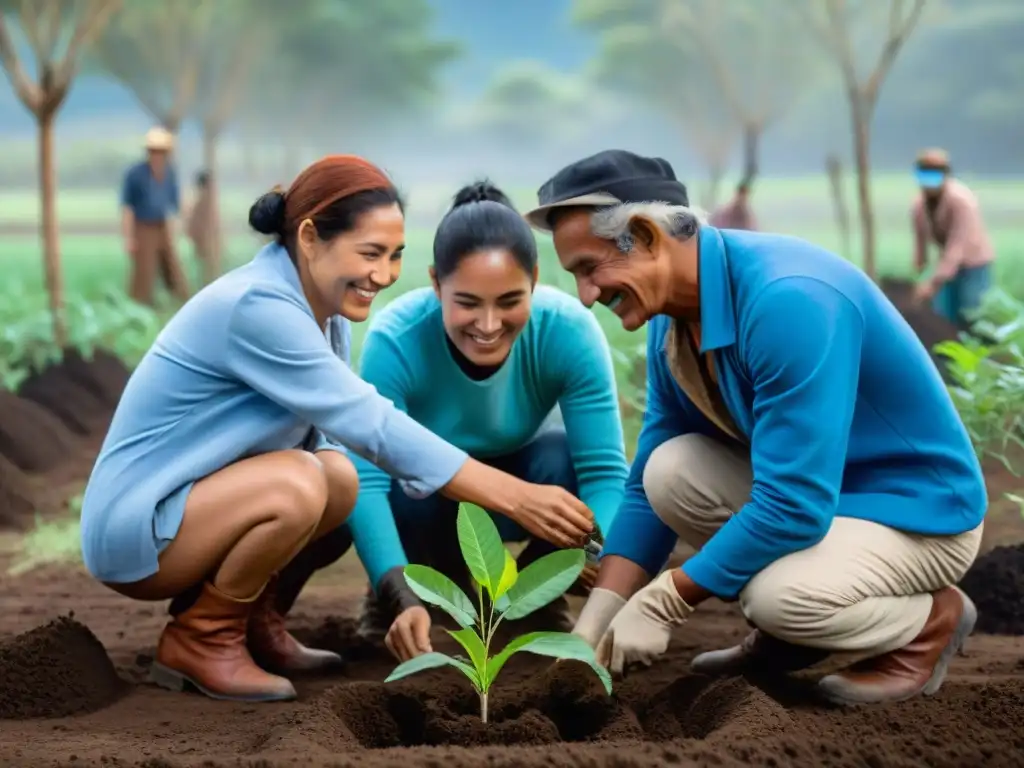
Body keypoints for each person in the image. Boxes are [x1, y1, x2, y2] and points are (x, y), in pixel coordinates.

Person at [80, 155, 595, 704]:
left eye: (395, 255)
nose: (385, 274)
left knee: (338, 477)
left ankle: (254, 618)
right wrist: (516, 498)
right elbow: (370, 422)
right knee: (302, 482)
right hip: (142, 524)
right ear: (308, 237)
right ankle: (202, 636)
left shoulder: (319, 311)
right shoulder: (259, 306)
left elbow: (343, 445)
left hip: (198, 509)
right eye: (370, 253)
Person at [524, 149, 986, 706]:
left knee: (778, 598)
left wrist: (665, 599)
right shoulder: (673, 317)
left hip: (921, 513)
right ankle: (793, 638)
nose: (586, 296)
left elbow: (793, 503)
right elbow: (645, 481)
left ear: (645, 235)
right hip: (831, 497)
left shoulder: (788, 301)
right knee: (669, 471)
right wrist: (594, 624)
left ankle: (929, 621)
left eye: (589, 269)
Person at [339, 181, 628, 661]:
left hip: (530, 482)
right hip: (426, 503)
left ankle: (536, 596)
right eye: (467, 303)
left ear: (535, 279)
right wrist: (396, 590)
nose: (489, 325)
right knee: (397, 480)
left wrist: (594, 553)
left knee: (565, 460)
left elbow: (605, 474)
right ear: (435, 284)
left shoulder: (568, 331)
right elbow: (366, 482)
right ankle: (410, 588)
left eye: (510, 301)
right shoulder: (397, 338)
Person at [910, 148, 995, 329]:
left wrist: (933, 282)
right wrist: (918, 275)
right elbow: (920, 244)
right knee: (943, 316)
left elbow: (956, 248)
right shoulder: (919, 205)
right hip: (947, 264)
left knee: (972, 315)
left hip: (973, 263)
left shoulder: (961, 201)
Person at [120, 126, 191, 306]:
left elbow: (175, 204)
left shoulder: (169, 173)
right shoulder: (135, 174)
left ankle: (182, 302)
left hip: (162, 225)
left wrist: (182, 226)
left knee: (173, 267)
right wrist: (128, 237)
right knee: (144, 271)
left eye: (161, 152)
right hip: (142, 226)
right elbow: (127, 208)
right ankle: (139, 306)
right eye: (154, 151)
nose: (158, 155)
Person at [185, 169, 220, 286]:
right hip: (204, 245)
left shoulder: (208, 202)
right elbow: (193, 227)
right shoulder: (201, 203)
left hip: (209, 245)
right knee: (206, 274)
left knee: (210, 273)